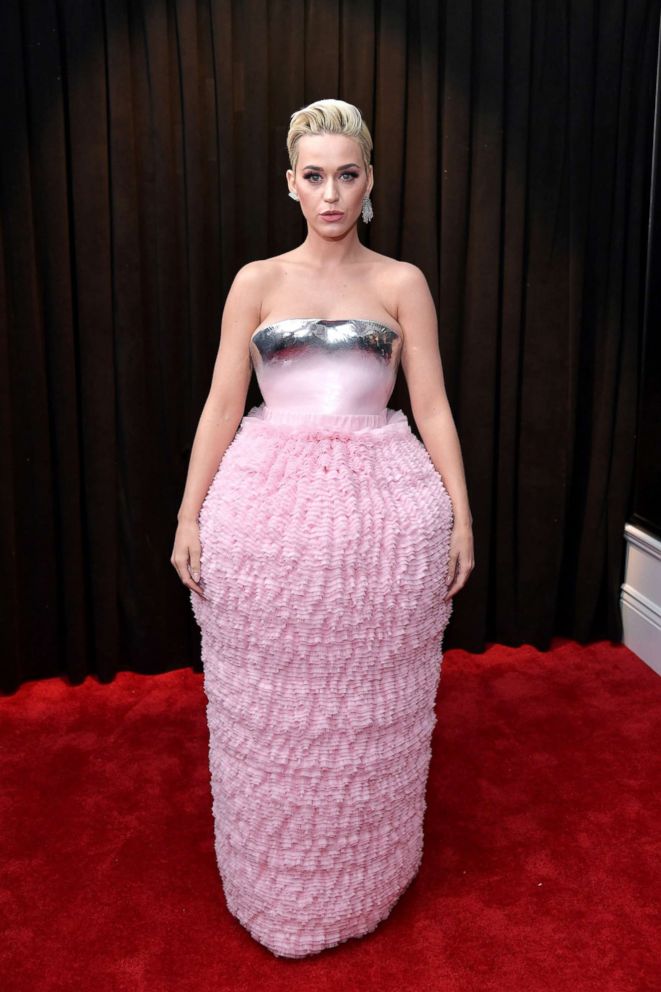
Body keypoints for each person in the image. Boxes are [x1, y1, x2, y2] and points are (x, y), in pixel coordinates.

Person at [171, 98, 474, 959]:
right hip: (265, 521)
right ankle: (274, 874)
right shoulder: (256, 281)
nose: (331, 192)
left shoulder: (399, 282)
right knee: (272, 714)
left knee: (373, 707)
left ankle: (365, 871)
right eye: (314, 176)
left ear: (369, 181)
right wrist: (189, 515)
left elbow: (433, 407)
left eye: (347, 174)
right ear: (290, 185)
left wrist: (460, 516)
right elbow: (224, 402)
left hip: (386, 520)